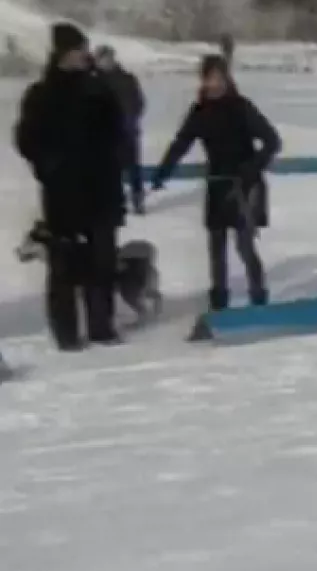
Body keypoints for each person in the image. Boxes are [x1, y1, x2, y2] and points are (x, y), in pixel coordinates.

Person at [13, 21, 128, 350]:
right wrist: (50, 166)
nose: (83, 55)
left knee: (102, 260)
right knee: (63, 264)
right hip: (63, 192)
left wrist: (115, 161)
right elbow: (26, 139)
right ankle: (66, 333)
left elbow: (120, 129)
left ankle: (101, 326)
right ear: (63, 53)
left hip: (102, 188)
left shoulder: (99, 90)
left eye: (84, 49)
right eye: (78, 50)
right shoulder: (41, 94)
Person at [150, 54, 282, 311]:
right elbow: (181, 143)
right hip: (217, 184)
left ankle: (259, 298)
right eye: (210, 79)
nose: (215, 84)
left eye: (220, 78)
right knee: (216, 249)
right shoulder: (200, 111)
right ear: (203, 80)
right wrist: (163, 172)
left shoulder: (241, 107)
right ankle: (219, 303)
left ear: (227, 79)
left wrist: (252, 167)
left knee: (244, 246)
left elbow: (272, 141)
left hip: (245, 186)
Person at [93, 45, 146, 215]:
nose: (107, 62)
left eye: (109, 58)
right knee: (109, 169)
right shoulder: (93, 82)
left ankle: (137, 200)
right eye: (103, 59)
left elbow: (139, 101)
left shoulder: (127, 79)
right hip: (105, 135)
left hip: (128, 131)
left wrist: (132, 117)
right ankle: (113, 202)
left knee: (133, 168)